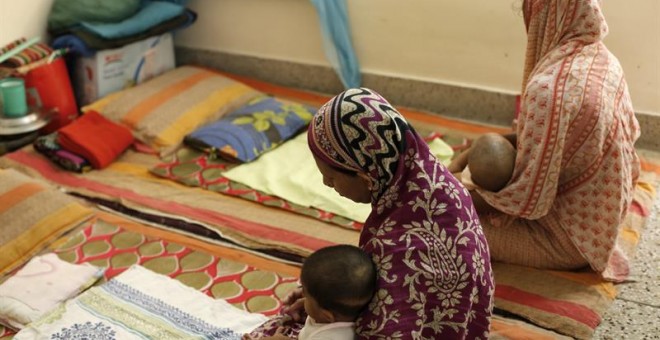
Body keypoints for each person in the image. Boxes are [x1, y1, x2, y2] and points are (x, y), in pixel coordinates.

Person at [449, 0, 640, 281]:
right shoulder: (604, 60)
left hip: (570, 239)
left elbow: (524, 200)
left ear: (545, 16)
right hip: (605, 210)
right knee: (480, 158)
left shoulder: (548, 90)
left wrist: (445, 197)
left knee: (439, 225)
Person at [252, 245, 376, 340]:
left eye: (305, 294)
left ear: (327, 315)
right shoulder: (337, 315)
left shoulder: (331, 337)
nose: (302, 295)